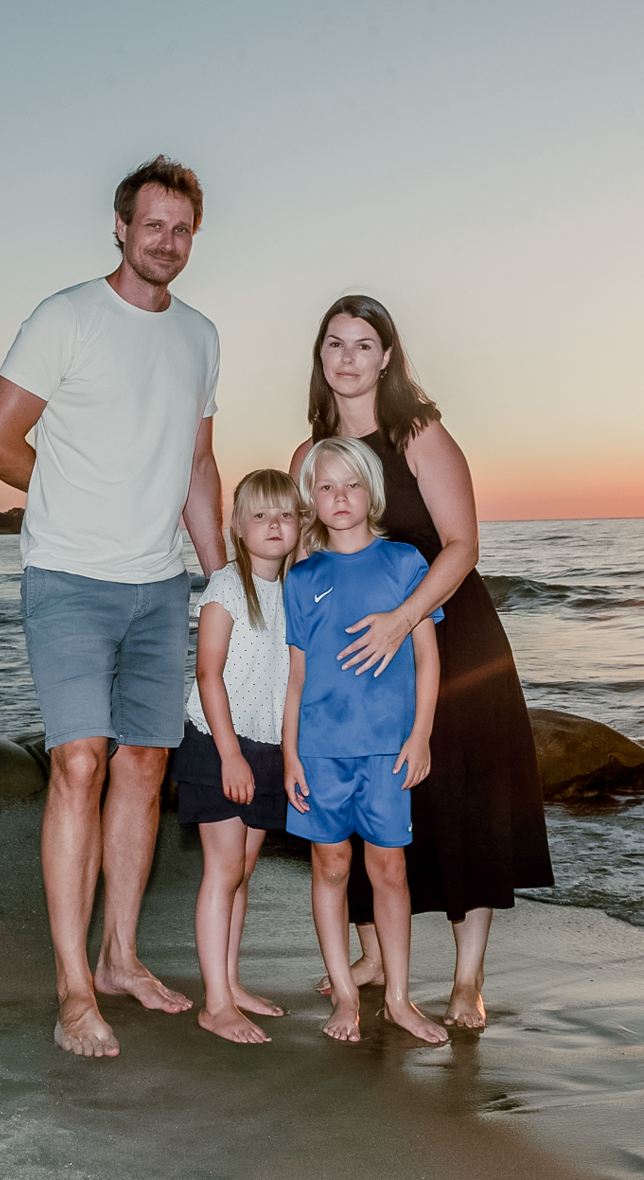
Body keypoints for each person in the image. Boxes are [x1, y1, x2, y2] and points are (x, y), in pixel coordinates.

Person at [0, 156, 225, 1058]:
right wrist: (73, 500)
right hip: (70, 579)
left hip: (160, 587)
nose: (167, 241)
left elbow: (198, 466)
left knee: (146, 769)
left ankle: (119, 956)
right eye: (152, 225)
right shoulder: (65, 316)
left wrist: (223, 574)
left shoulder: (201, 337)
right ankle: (73, 987)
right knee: (79, 763)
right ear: (120, 228)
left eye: (181, 228)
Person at [289, 295, 554, 1029]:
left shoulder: (419, 432)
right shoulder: (310, 457)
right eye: (334, 344)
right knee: (363, 803)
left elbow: (464, 544)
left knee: (459, 804)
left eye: (364, 344)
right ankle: (373, 958)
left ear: (387, 356)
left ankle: (467, 979)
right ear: (320, 358)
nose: (348, 358)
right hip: (358, 663)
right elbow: (306, 562)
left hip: (450, 639)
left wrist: (403, 621)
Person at [283, 437, 449, 1045]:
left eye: (350, 485)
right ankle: (346, 997)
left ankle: (400, 999)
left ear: (371, 491)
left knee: (390, 870)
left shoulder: (404, 562)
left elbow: (427, 659)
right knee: (330, 866)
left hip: (388, 749)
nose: (340, 497)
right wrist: (291, 755)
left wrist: (421, 734)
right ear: (311, 499)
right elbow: (296, 677)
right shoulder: (301, 579)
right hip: (321, 751)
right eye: (325, 487)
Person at [176, 468, 299, 1044]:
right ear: (238, 527)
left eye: (286, 514)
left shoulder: (295, 590)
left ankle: (230, 982)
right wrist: (229, 755)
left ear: (301, 525)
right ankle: (215, 1004)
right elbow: (207, 672)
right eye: (260, 515)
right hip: (219, 743)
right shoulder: (227, 584)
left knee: (243, 873)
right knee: (223, 871)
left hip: (268, 745)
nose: (274, 525)